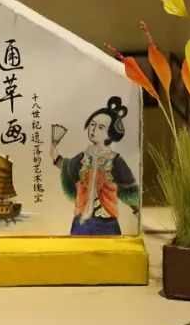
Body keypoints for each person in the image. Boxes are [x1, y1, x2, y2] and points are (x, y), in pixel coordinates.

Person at [50, 96, 140, 236]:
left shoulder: (114, 160)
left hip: (106, 220)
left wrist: (136, 209)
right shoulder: (83, 157)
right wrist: (56, 157)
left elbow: (127, 188)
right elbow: (68, 168)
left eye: (100, 127)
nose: (93, 129)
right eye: (92, 124)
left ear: (110, 134)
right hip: (82, 220)